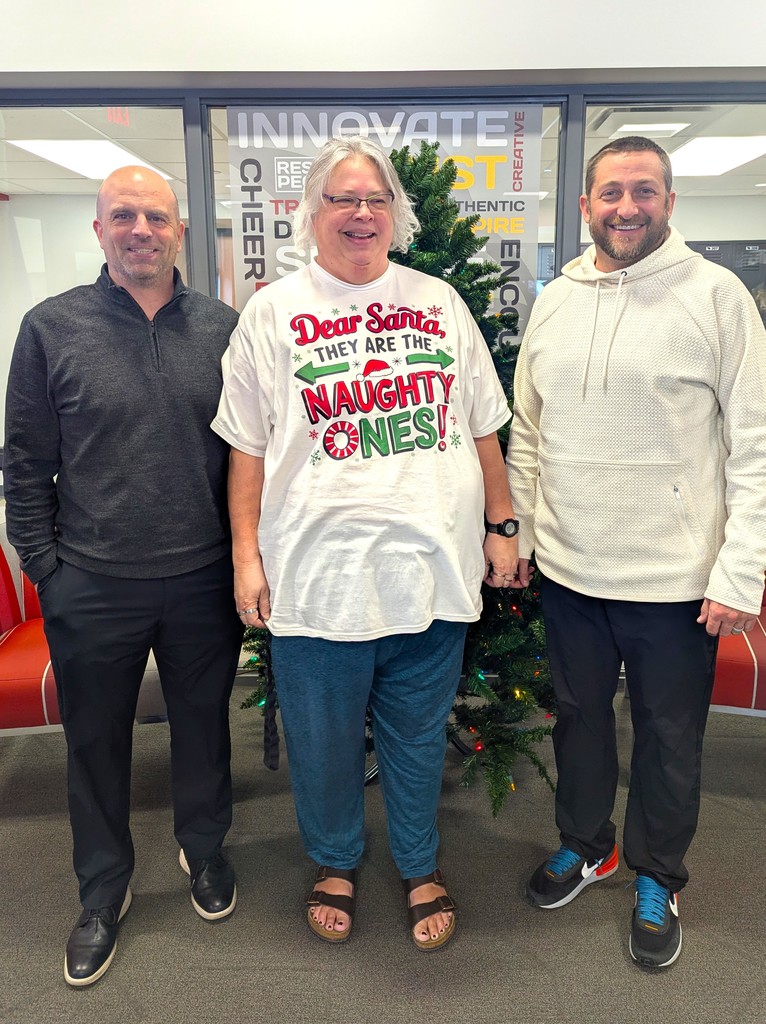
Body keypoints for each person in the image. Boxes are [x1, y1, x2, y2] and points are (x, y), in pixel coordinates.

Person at [212, 135, 519, 950]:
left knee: (419, 738)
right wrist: (247, 556)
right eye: (343, 199)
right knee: (321, 746)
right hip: (315, 582)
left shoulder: (438, 302)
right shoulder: (271, 313)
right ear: (313, 215)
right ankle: (336, 861)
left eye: (375, 200)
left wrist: (501, 526)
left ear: (395, 216)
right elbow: (244, 447)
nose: (360, 213)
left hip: (430, 575)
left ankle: (421, 864)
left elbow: (483, 428)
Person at [508, 136, 766, 968]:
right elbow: (530, 434)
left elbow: (755, 447)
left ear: (669, 202)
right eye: (611, 192)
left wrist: (740, 572)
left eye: (644, 191)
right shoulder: (555, 301)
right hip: (570, 567)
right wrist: (520, 532)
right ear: (585, 206)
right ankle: (589, 845)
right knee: (579, 721)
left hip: (676, 582)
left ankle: (659, 872)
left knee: (668, 734)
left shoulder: (718, 298)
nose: (627, 207)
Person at [3, 166, 244, 987]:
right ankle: (103, 890)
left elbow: (251, 455)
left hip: (205, 578)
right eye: (123, 216)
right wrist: (47, 572)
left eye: (157, 217)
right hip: (93, 584)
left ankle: (204, 851)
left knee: (205, 730)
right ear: (99, 230)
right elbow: (25, 464)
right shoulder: (49, 328)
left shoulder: (224, 327)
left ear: (180, 230)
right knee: (95, 746)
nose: (141, 229)